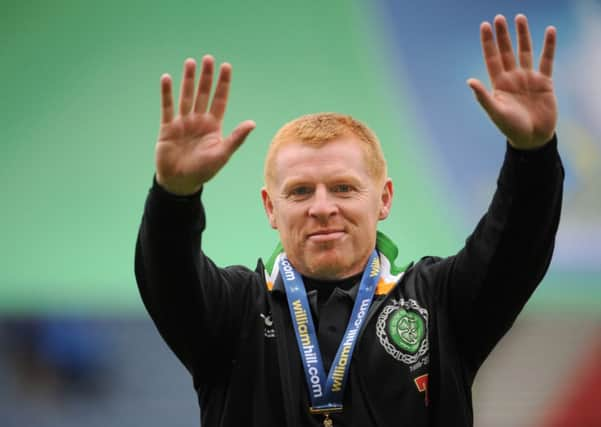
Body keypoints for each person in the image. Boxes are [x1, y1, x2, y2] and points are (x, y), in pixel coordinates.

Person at [135, 14, 563, 427]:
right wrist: (174, 195)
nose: (322, 207)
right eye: (300, 191)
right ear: (270, 208)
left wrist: (533, 154)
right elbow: (169, 277)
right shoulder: (234, 311)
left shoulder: (440, 303)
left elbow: (515, 245)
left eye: (343, 188)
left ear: (384, 199)